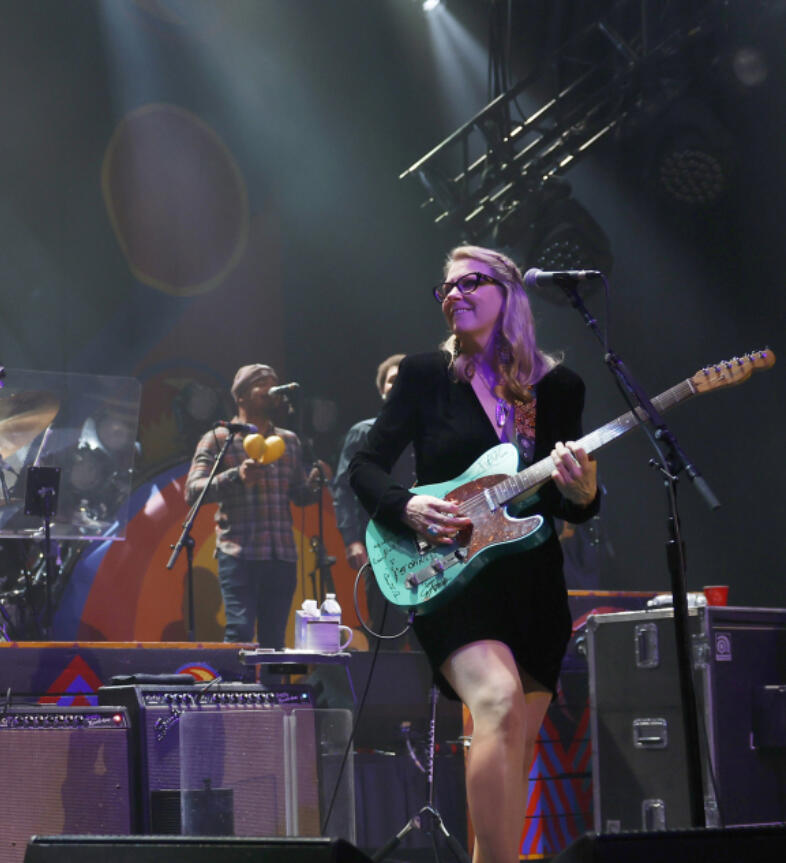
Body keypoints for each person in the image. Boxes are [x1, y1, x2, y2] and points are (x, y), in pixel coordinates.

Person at [347, 246, 599, 863]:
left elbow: (564, 506)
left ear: (510, 292)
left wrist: (584, 491)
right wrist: (405, 506)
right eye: (447, 288)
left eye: (470, 283)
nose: (453, 295)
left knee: (512, 741)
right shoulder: (426, 375)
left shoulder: (559, 387)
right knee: (496, 702)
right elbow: (365, 466)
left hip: (533, 585)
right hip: (450, 574)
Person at [184, 363, 327, 648]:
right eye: (262, 382)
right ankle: (236, 692)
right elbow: (192, 491)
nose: (272, 387)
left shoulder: (288, 440)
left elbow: (299, 495)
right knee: (240, 632)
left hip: (282, 554)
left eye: (275, 382)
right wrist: (237, 476)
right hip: (240, 553)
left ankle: (273, 694)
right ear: (241, 396)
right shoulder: (219, 439)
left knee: (274, 639)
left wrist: (316, 482)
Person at [331, 352, 407, 574]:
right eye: (392, 379)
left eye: (404, 378)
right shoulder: (362, 433)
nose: (398, 383)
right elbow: (343, 488)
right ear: (382, 389)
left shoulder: (429, 431)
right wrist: (351, 540)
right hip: (377, 542)